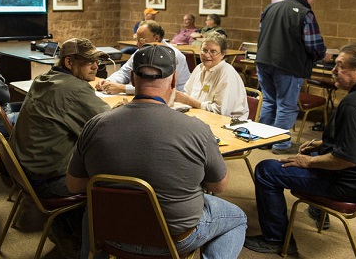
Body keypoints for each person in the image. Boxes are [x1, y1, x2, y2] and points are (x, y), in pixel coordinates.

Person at [66, 45, 247, 258]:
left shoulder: (95, 125)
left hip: (109, 233)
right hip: (174, 238)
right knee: (238, 218)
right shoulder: (197, 129)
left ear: (132, 79)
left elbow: (74, 185)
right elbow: (219, 186)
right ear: (173, 80)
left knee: (92, 209)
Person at [244, 44, 356, 255]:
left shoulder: (355, 104)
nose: (333, 70)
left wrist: (308, 162)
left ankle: (276, 239)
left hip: (351, 184)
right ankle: (318, 211)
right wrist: (322, 145)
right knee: (311, 152)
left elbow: (346, 159)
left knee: (267, 170)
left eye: (340, 66)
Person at [10, 38, 111, 257]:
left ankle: (62, 227)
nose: (95, 66)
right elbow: (110, 128)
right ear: (68, 63)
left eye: (96, 61)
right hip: (48, 181)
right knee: (110, 178)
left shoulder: (44, 78)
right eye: (88, 62)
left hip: (25, 173)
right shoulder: (75, 89)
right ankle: (87, 244)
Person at [254, 0, 327, 155]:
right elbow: (313, 44)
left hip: (263, 61)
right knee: (286, 105)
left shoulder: (270, 8)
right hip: (288, 66)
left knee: (269, 101)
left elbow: (261, 33)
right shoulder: (305, 13)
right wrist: (322, 55)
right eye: (313, 0)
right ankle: (280, 144)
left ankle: (264, 141)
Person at [96, 20, 190, 94]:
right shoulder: (141, 52)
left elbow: (156, 88)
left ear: (156, 38)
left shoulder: (173, 56)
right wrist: (108, 82)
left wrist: (123, 88)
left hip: (175, 100)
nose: (137, 44)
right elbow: (124, 72)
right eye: (136, 39)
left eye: (141, 40)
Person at [175, 34, 249, 119]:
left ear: (222, 54)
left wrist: (192, 102)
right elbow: (187, 93)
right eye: (204, 50)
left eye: (213, 52)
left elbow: (221, 111)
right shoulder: (199, 68)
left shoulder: (226, 72)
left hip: (227, 123)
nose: (207, 55)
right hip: (199, 116)